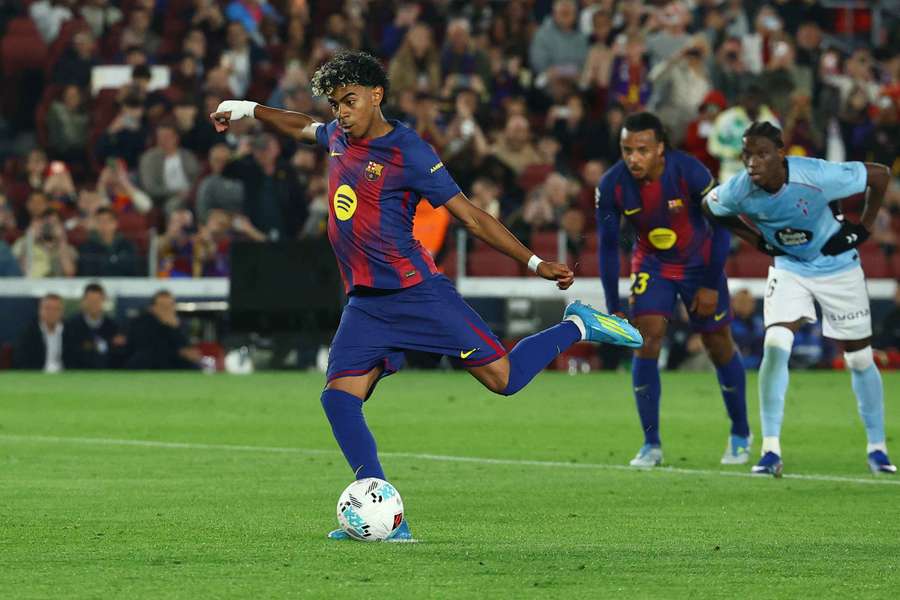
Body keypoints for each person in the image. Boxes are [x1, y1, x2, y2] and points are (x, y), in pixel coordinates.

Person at [210, 50, 642, 542]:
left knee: (503, 379)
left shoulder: (408, 151)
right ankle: (386, 516)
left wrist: (535, 262)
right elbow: (298, 124)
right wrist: (245, 108)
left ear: (377, 96)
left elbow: (470, 215)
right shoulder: (337, 138)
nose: (341, 113)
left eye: (349, 101)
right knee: (338, 400)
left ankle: (578, 324)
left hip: (417, 293)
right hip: (366, 304)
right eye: (335, 104)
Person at [702, 122, 894, 476]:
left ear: (780, 153)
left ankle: (877, 448)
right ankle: (770, 450)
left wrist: (863, 228)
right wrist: (756, 239)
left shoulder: (817, 174)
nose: (752, 163)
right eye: (747, 155)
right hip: (790, 269)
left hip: (838, 268)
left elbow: (880, 175)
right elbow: (710, 207)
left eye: (761, 154)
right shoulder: (741, 188)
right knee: (775, 343)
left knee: (859, 358)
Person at [596, 112, 750, 468]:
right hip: (652, 264)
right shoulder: (612, 184)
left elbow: (723, 225)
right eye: (626, 150)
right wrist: (611, 304)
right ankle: (651, 444)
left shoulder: (690, 172)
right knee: (646, 339)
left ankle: (740, 432)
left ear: (660, 149)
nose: (633, 158)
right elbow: (606, 246)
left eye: (642, 150)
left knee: (717, 344)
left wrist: (711, 283)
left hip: (700, 262)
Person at [125, 290, 203, 370]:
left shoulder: (179, 323)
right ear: (153, 308)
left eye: (170, 305)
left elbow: (185, 347)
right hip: (149, 361)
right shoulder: (141, 322)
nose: (166, 309)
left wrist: (174, 328)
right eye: (162, 306)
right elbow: (148, 347)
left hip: (174, 361)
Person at [63, 282, 126, 369]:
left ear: (103, 300)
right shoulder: (72, 325)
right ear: (84, 301)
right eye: (90, 300)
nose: (94, 304)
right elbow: (71, 353)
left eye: (97, 300)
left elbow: (116, 354)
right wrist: (106, 344)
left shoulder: (112, 326)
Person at [13, 293, 65, 372]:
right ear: (40, 310)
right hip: (37, 377)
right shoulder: (28, 333)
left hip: (65, 376)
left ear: (62, 312)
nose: (51, 312)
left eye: (56, 309)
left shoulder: (71, 332)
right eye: (47, 308)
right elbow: (20, 361)